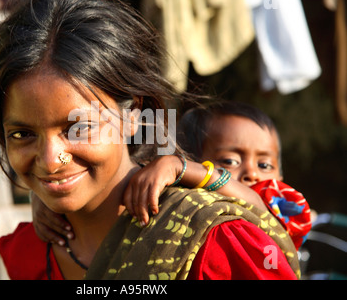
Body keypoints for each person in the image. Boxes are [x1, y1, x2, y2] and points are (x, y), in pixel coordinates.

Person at [0, 0, 299, 280]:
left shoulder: (213, 244)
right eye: (22, 134)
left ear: (132, 117)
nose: (51, 161)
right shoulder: (29, 253)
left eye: (79, 128)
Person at [35, 100, 311, 250]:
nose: (251, 173)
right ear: (193, 155)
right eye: (230, 160)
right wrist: (48, 200)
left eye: (265, 165)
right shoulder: (181, 203)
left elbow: (258, 211)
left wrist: (181, 167)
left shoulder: (280, 201)